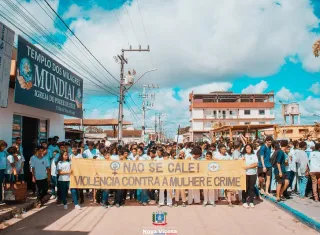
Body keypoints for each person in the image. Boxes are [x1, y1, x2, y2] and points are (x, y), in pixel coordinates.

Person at [241, 144, 258, 208]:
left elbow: (256, 164)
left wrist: (248, 167)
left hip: (253, 173)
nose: (248, 149)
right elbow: (239, 163)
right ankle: (244, 201)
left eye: (249, 148)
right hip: (245, 174)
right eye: (247, 148)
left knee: (252, 188)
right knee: (245, 188)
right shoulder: (243, 155)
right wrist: (242, 160)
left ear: (251, 148)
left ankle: (251, 202)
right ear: (245, 149)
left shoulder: (254, 155)